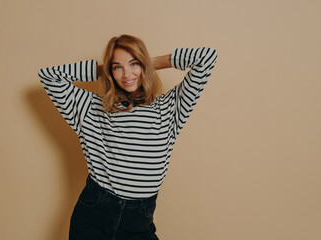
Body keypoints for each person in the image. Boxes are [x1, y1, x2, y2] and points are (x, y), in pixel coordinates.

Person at [38, 34, 218, 240]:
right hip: (94, 217)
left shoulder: (169, 109)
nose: (126, 74)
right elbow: (49, 75)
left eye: (134, 64)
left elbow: (206, 58)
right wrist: (104, 70)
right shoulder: (91, 107)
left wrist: (150, 63)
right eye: (117, 67)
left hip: (139, 222)